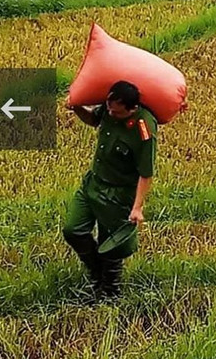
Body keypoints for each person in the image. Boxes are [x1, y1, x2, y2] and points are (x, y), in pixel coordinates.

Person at [64, 81, 157, 298]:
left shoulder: (143, 130)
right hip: (93, 184)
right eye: (109, 109)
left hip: (117, 195)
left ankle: (109, 291)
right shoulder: (108, 109)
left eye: (116, 112)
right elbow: (93, 119)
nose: (111, 114)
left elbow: (146, 173)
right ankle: (96, 271)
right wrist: (76, 107)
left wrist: (137, 207)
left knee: (111, 245)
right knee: (72, 229)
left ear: (132, 109)